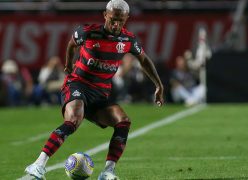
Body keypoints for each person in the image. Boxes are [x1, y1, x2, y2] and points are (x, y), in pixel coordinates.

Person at [24, 0, 164, 179]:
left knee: (123, 122)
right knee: (73, 120)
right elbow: (71, 44)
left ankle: (108, 172)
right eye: (113, 19)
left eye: (121, 20)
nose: (116, 24)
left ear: (127, 18)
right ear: (105, 15)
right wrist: (68, 64)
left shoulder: (128, 39)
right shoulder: (88, 32)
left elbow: (144, 60)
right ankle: (37, 165)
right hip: (77, 85)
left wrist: (159, 85)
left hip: (100, 94)